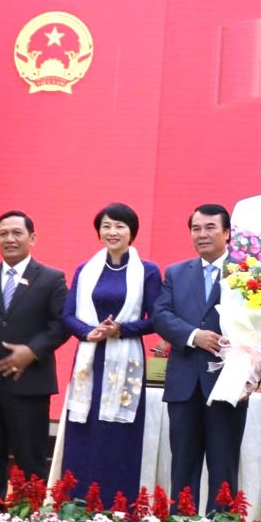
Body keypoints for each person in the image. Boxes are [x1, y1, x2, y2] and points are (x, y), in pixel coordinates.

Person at [0, 211, 68, 497]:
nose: (10, 239)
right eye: (3, 233)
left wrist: (31, 351)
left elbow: (60, 325)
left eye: (17, 233)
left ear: (33, 238)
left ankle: (29, 521)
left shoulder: (52, 279)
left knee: (30, 461)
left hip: (29, 385)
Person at [59, 203, 162, 502]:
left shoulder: (148, 271)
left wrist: (121, 330)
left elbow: (156, 319)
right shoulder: (85, 269)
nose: (112, 232)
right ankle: (76, 505)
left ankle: (118, 506)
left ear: (132, 232)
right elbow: (67, 316)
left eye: (119, 226)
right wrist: (86, 332)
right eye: (106, 226)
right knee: (84, 432)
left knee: (117, 435)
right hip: (90, 361)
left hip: (125, 359)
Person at [153, 203, 245, 513]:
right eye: (196, 228)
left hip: (227, 384)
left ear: (227, 233)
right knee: (183, 465)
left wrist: (251, 377)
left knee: (224, 467)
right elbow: (161, 315)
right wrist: (194, 336)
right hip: (184, 385)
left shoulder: (247, 274)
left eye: (210, 228)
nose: (202, 234)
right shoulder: (177, 273)